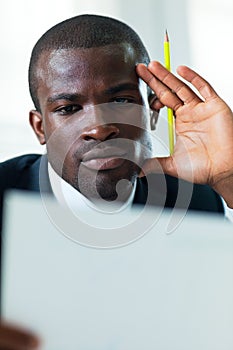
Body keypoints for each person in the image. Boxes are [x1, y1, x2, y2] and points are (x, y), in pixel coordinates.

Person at [0, 13, 233, 349]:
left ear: (153, 111)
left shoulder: (201, 201)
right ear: (40, 128)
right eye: (68, 108)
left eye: (121, 101)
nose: (99, 127)